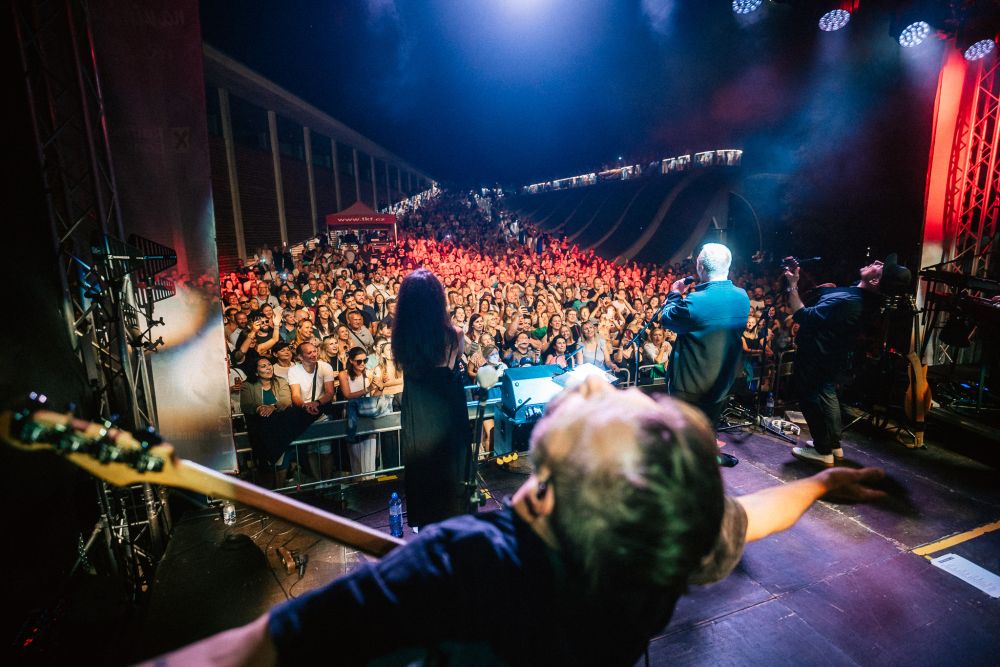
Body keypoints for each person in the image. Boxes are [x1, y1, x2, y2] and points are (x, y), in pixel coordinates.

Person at [148, 378, 887, 666]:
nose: (599, 385)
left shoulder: (462, 561)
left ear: (555, 488)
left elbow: (251, 651)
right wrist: (821, 481)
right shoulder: (663, 535)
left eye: (611, 409)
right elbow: (751, 516)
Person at [785, 253, 911, 466]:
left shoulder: (851, 302)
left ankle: (823, 450)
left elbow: (803, 316)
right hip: (832, 355)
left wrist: (792, 286)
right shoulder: (864, 296)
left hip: (816, 355)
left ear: (875, 281)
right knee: (827, 394)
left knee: (810, 398)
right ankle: (833, 445)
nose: (876, 262)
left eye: (880, 267)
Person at [392, 268, 471, 531]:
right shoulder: (454, 333)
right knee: (452, 459)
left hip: (418, 404)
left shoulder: (402, 337)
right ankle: (456, 514)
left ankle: (425, 519)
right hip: (447, 401)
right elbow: (455, 361)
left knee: (422, 460)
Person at [656, 243, 750, 426]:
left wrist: (675, 294)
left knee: (685, 435)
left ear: (700, 267)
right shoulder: (742, 297)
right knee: (708, 430)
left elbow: (667, 319)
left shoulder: (696, 301)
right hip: (723, 382)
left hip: (690, 386)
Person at [287, 342, 337, 480]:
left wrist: (317, 403)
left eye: (314, 351)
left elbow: (329, 392)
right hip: (304, 413)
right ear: (300, 357)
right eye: (309, 353)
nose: (313, 354)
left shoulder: (325, 367)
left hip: (322, 412)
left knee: (326, 450)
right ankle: (318, 482)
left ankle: (327, 481)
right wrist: (305, 406)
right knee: (311, 451)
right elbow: (295, 395)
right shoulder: (294, 370)